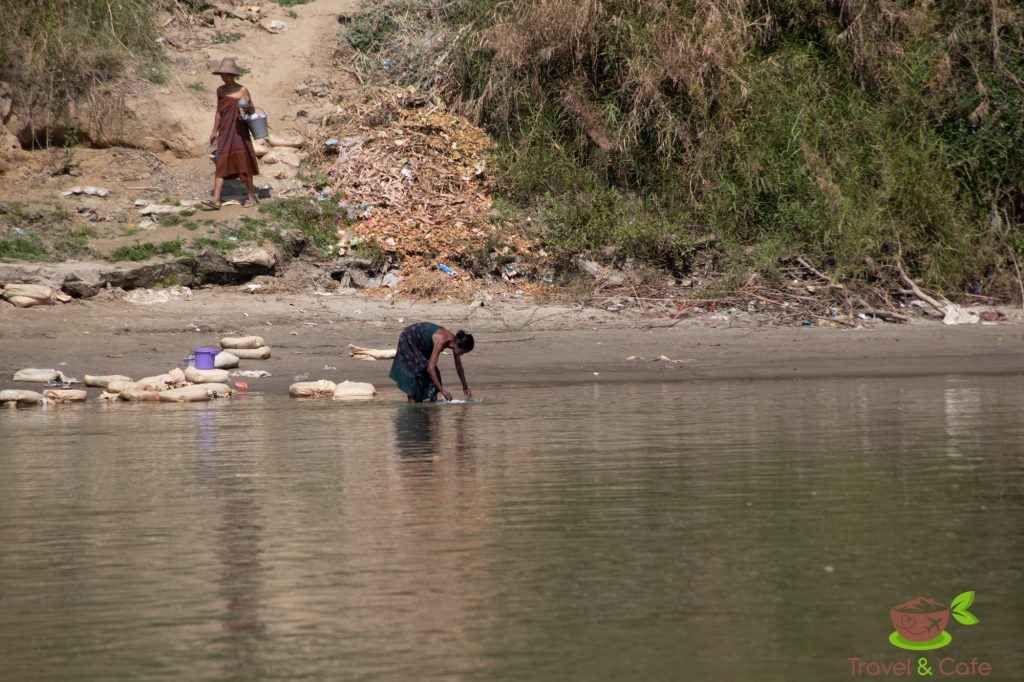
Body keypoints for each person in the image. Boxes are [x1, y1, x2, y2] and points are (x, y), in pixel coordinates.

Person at [202, 57, 260, 210]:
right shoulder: (220, 90)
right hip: (225, 132)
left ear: (233, 75)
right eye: (222, 74)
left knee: (243, 163)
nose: (224, 77)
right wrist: (214, 131)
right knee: (221, 163)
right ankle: (215, 200)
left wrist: (247, 106)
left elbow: (252, 111)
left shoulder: (243, 90)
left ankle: (251, 196)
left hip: (240, 132)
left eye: (227, 74)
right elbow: (218, 113)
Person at [389, 323, 474, 402]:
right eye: (463, 352)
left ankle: (430, 407)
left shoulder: (455, 342)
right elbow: (430, 369)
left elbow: (458, 366)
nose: (462, 354)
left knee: (433, 378)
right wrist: (442, 390)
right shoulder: (442, 340)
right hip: (409, 338)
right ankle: (412, 403)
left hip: (422, 344)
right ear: (458, 344)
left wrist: (465, 386)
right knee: (418, 373)